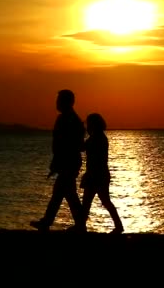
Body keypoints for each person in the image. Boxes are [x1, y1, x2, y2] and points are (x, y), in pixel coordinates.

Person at [30, 89, 86, 232]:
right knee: (65, 193)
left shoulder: (68, 119)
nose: (56, 103)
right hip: (69, 161)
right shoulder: (72, 119)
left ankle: (50, 223)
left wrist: (57, 163)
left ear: (65, 102)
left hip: (68, 162)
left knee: (64, 193)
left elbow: (65, 144)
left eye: (59, 100)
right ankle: (77, 224)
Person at [79, 113, 124, 234]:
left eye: (89, 124)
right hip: (100, 174)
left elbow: (82, 147)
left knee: (92, 202)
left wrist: (80, 133)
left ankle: (81, 227)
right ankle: (118, 226)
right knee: (98, 201)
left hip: (96, 175)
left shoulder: (96, 138)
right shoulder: (100, 137)